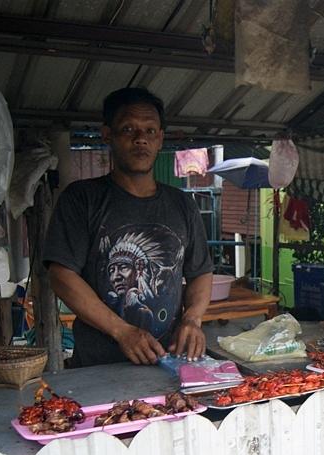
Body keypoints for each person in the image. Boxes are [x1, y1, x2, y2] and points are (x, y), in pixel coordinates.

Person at [44, 87, 213, 367]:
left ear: (160, 139)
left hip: (170, 363)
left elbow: (200, 272)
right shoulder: (81, 198)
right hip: (99, 368)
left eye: (149, 131)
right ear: (107, 135)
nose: (140, 140)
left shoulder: (182, 204)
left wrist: (193, 320)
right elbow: (61, 275)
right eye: (128, 129)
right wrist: (122, 331)